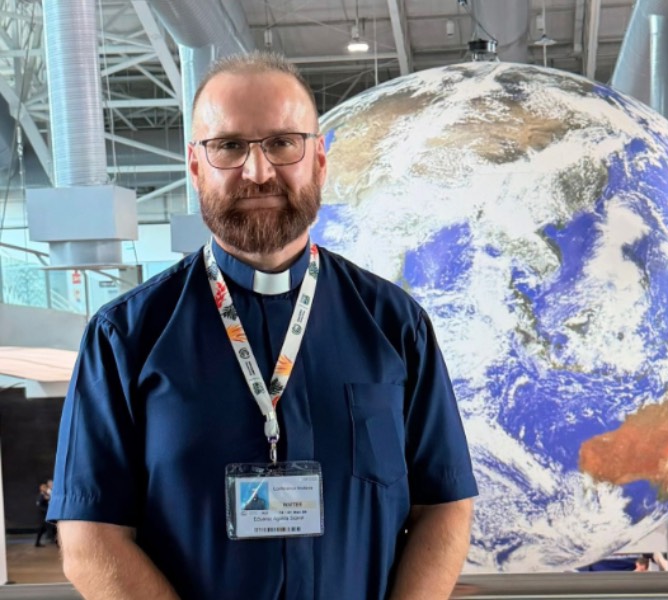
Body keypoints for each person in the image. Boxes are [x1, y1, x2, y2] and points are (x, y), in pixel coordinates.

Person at [47, 51, 478, 600]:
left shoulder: (396, 325)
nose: (257, 171)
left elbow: (444, 507)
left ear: (319, 160)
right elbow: (90, 542)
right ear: (196, 165)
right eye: (229, 146)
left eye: (281, 142)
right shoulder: (125, 337)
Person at [34, 481, 51, 547]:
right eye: (45, 488)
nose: (46, 489)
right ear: (42, 489)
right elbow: (39, 505)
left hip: (45, 515)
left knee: (42, 529)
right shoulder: (41, 496)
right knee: (47, 528)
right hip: (43, 516)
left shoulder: (45, 496)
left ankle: (37, 543)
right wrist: (46, 510)